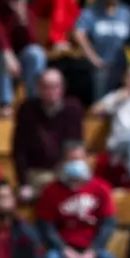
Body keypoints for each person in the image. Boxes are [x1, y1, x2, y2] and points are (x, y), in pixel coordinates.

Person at [38, 142, 119, 258]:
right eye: (71, 160)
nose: (76, 163)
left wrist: (93, 251)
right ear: (63, 162)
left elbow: (108, 223)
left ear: (86, 160)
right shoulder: (50, 191)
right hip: (63, 248)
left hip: (92, 248)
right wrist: (65, 250)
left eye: (79, 159)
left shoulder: (101, 188)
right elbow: (46, 227)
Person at [12, 68, 85, 201]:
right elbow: (19, 149)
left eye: (55, 86)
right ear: (38, 88)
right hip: (37, 171)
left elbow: (75, 145)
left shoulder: (73, 108)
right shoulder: (27, 110)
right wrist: (23, 183)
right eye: (45, 87)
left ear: (62, 88)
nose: (51, 91)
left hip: (65, 168)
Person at [70, 0, 130, 102]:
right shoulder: (91, 12)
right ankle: (99, 113)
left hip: (122, 65)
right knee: (100, 75)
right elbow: (78, 33)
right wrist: (94, 58)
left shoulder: (127, 13)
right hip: (99, 65)